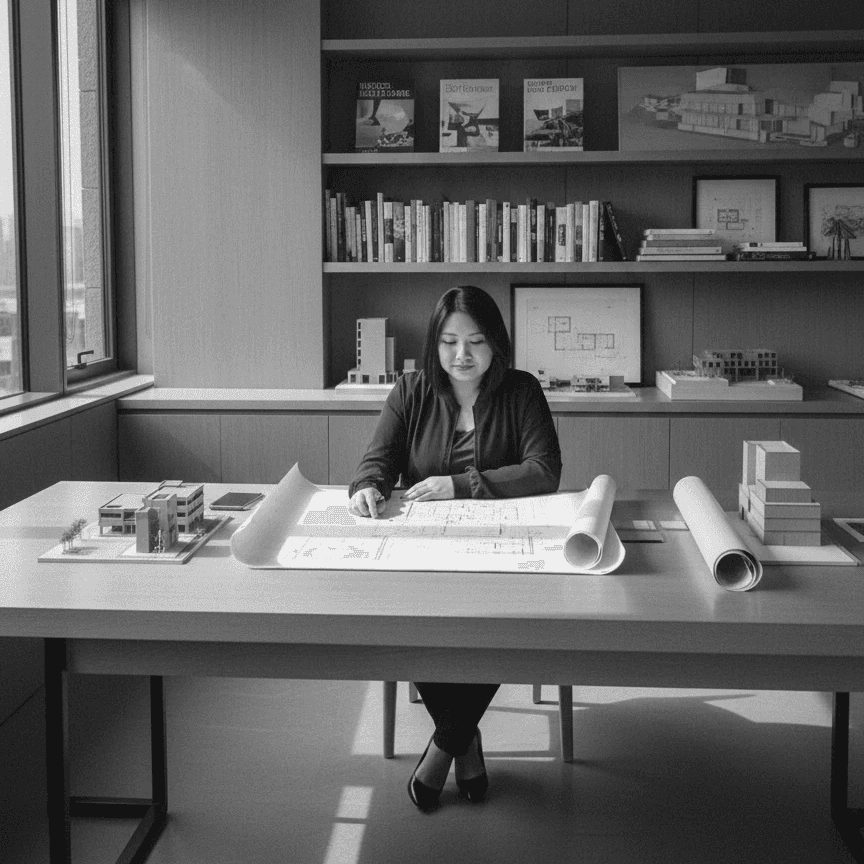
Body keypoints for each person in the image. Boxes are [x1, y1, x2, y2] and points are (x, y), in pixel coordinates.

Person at [348, 285, 562, 811]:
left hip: (503, 547)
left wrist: (460, 484)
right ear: (434, 345)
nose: (461, 356)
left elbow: (544, 471)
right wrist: (367, 488)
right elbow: (377, 460)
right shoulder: (412, 390)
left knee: (506, 623)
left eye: (475, 342)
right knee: (410, 616)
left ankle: (445, 745)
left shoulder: (521, 390)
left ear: (496, 344)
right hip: (427, 547)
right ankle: (462, 740)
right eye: (448, 342)